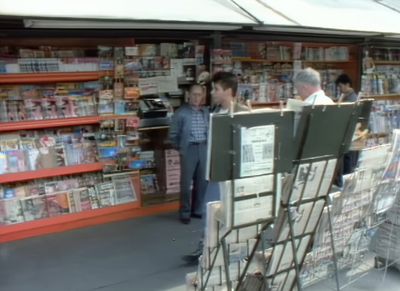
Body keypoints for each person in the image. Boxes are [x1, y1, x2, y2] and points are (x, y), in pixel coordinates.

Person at [182, 71, 249, 264]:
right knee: (208, 212)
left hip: (233, 176)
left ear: (228, 91)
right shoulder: (214, 112)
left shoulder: (243, 113)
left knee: (233, 215)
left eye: (216, 89)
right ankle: (206, 248)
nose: (212, 92)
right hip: (214, 173)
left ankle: (232, 250)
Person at [169, 84, 209, 224]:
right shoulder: (181, 113)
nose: (197, 97)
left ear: (202, 96)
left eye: (199, 95)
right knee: (186, 183)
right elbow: (172, 134)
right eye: (194, 94)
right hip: (189, 149)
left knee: (202, 182)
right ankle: (185, 211)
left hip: (203, 147)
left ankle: (197, 210)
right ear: (188, 95)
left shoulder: (205, 112)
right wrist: (180, 148)